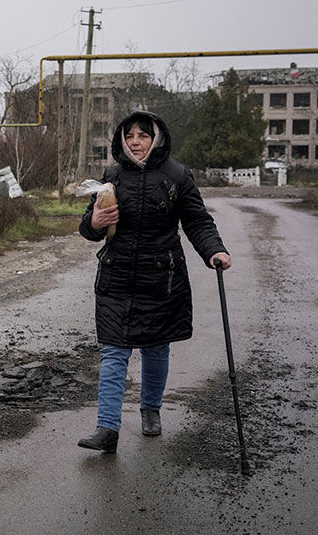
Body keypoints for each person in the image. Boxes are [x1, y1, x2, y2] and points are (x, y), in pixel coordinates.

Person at [77, 110, 231, 453]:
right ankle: (107, 428)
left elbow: (198, 222)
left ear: (155, 138)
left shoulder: (177, 175)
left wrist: (214, 251)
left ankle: (151, 410)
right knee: (114, 350)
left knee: (156, 347)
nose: (135, 141)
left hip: (161, 277)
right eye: (129, 135)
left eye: (142, 135)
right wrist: (95, 221)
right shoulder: (112, 176)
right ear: (121, 139)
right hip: (116, 276)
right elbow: (90, 229)